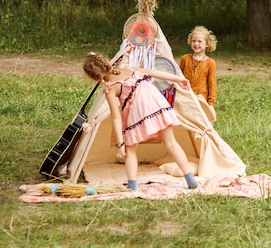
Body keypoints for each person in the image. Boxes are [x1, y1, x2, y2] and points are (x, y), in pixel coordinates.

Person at [83, 52, 198, 191]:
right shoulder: (130, 69)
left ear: (95, 77)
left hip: (138, 111)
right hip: (156, 103)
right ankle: (190, 179)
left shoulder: (110, 88)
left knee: (130, 148)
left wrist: (120, 144)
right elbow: (155, 73)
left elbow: (116, 116)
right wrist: (178, 78)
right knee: (171, 143)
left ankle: (132, 185)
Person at [179, 26, 218, 110]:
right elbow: (179, 77)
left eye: (199, 41)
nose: (196, 44)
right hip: (185, 99)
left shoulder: (210, 63)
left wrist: (211, 104)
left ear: (207, 43)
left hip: (201, 101)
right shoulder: (185, 59)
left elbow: (212, 85)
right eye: (194, 41)